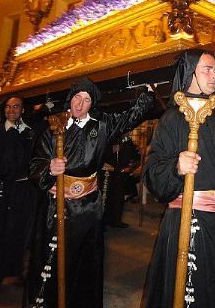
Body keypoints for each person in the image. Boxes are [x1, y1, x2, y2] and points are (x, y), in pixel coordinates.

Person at [143, 49, 215, 308]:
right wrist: (176, 167)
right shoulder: (172, 118)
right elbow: (152, 173)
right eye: (207, 69)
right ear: (190, 73)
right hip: (191, 218)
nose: (214, 75)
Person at [25, 77, 154, 308]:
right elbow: (35, 164)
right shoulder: (55, 127)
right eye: (77, 97)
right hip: (57, 205)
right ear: (70, 100)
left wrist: (147, 94)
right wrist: (49, 168)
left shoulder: (102, 124)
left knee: (85, 259)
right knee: (51, 259)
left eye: (86, 99)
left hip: (88, 207)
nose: (80, 103)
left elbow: (129, 118)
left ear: (91, 104)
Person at [0, 96, 38, 293]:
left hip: (20, 191)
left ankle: (15, 272)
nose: (11, 110)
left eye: (16, 107)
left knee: (17, 231)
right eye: (8, 106)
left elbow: (34, 162)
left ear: (23, 110)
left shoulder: (30, 134)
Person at [105, 133, 140, 228]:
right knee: (108, 196)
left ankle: (116, 220)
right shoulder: (110, 136)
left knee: (119, 197)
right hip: (109, 171)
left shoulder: (126, 138)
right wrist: (111, 150)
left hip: (121, 171)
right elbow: (103, 152)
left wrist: (130, 166)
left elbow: (132, 153)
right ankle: (107, 221)